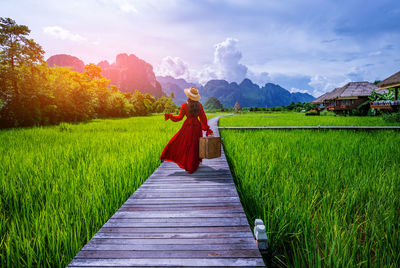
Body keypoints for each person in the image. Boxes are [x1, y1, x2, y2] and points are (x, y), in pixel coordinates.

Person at [160, 87, 213, 174]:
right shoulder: (199, 106)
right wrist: (206, 128)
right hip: (196, 127)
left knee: (181, 142)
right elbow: (203, 119)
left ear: (189, 96)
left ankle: (174, 158)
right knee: (195, 145)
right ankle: (193, 164)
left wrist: (170, 116)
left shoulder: (184, 106)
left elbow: (179, 118)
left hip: (187, 127)